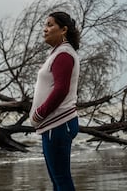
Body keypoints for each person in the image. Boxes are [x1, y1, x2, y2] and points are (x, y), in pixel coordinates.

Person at [30, 11, 80, 191]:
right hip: (55, 125)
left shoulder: (64, 54)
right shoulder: (58, 53)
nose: (45, 29)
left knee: (62, 181)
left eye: (50, 25)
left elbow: (61, 90)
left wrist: (38, 113)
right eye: (45, 25)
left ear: (64, 30)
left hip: (58, 124)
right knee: (58, 181)